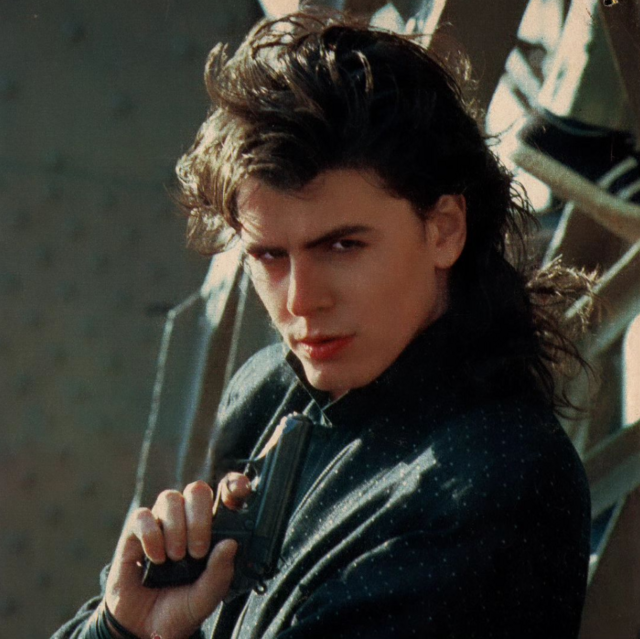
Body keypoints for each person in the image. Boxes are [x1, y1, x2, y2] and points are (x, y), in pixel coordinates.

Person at [54, 10, 596, 639]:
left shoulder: (494, 483)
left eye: (343, 246)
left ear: (445, 229)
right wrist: (122, 628)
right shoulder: (271, 390)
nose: (301, 301)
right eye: (268, 256)